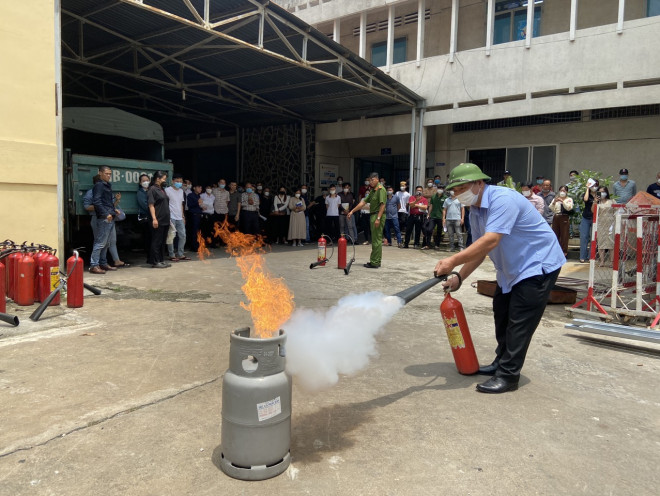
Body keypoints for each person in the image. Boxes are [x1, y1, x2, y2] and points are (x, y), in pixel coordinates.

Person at [434, 163, 565, 394]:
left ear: (479, 183)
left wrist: (452, 261)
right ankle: (500, 362)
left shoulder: (503, 199)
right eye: (454, 190)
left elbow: (491, 240)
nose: (457, 194)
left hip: (537, 264)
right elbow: (479, 249)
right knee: (502, 312)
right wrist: (459, 277)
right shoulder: (475, 210)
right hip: (511, 269)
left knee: (519, 321)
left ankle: (508, 375)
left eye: (462, 187)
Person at [347, 172, 386, 268]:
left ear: (377, 179)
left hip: (377, 215)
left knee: (376, 240)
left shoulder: (381, 190)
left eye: (372, 180)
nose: (370, 182)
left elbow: (383, 205)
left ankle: (375, 262)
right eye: (369, 180)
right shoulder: (373, 191)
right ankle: (376, 260)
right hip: (373, 215)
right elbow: (363, 202)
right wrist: (352, 211)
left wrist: (378, 218)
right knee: (375, 239)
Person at [89, 166, 119, 274]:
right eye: (106, 173)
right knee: (100, 242)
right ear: (100, 173)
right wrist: (106, 213)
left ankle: (103, 263)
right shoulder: (99, 185)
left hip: (109, 217)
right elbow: (97, 202)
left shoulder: (107, 185)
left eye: (110, 174)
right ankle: (94, 265)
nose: (109, 176)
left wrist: (113, 210)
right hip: (104, 218)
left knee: (106, 243)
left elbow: (106, 202)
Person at [147, 170, 171, 268]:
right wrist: (154, 219)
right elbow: (151, 205)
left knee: (162, 241)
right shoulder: (152, 189)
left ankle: (161, 259)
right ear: (158, 179)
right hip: (158, 219)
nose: (165, 180)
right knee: (156, 241)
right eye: (164, 179)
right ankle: (155, 261)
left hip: (165, 219)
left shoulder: (161, 189)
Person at [164, 174, 189, 262]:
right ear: (172, 181)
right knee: (171, 236)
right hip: (171, 217)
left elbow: (181, 204)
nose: (179, 183)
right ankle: (171, 254)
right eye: (177, 181)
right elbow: (165, 204)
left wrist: (183, 216)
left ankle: (180, 254)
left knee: (183, 235)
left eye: (180, 182)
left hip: (179, 217)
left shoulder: (181, 191)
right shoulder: (167, 190)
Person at [548, 185, 574, 256]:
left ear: (567, 192)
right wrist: (554, 202)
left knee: (564, 235)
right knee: (555, 234)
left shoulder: (569, 199)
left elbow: (569, 208)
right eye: (561, 191)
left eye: (564, 191)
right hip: (556, 216)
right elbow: (551, 208)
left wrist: (563, 201)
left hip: (564, 217)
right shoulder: (556, 198)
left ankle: (564, 251)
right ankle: (555, 251)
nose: (562, 192)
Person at [579, 179, 599, 263]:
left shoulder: (599, 195)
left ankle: (591, 256)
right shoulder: (587, 194)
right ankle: (582, 256)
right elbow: (586, 199)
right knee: (584, 237)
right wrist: (587, 188)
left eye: (595, 185)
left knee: (593, 238)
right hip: (586, 218)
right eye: (592, 185)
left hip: (595, 218)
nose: (594, 187)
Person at [595, 186, 614, 266]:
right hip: (601, 223)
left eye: (603, 191)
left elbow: (617, 211)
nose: (602, 193)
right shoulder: (598, 202)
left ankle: (612, 262)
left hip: (611, 223)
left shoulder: (612, 201)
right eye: (600, 192)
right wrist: (595, 202)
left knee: (611, 243)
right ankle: (602, 261)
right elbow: (593, 211)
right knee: (601, 242)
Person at [136, 173, 151, 260]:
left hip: (152, 216)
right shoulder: (140, 193)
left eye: (147, 180)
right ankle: (149, 255)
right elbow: (145, 205)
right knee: (148, 237)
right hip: (145, 217)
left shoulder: (151, 190)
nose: (146, 182)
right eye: (143, 181)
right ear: (140, 183)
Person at [427, 185, 446, 250]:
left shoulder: (445, 197)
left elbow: (445, 208)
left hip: (440, 217)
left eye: (441, 188)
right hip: (433, 216)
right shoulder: (433, 196)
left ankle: (437, 245)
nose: (440, 189)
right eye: (439, 188)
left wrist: (444, 217)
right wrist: (428, 214)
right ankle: (428, 244)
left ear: (443, 190)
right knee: (429, 230)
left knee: (439, 231)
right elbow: (431, 206)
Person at [187, 184, 203, 251]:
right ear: (194, 188)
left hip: (199, 214)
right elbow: (189, 205)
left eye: (201, 188)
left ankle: (198, 245)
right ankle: (193, 247)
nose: (200, 189)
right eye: (199, 187)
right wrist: (197, 202)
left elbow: (199, 205)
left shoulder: (199, 195)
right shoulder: (190, 195)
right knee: (194, 231)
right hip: (194, 215)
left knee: (198, 231)